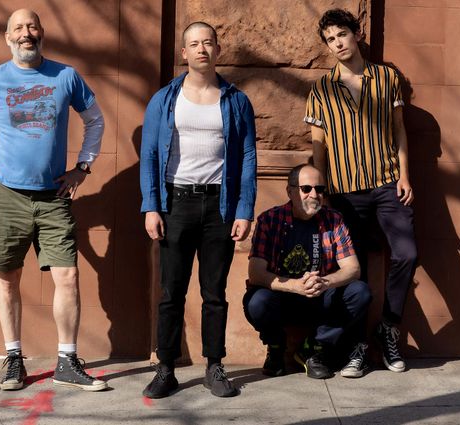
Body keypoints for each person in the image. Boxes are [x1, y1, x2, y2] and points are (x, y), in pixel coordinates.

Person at [0, 9, 107, 392]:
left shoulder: (65, 76)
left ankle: (67, 360)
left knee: (68, 276)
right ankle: (14, 359)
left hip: (54, 197)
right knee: (8, 280)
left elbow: (95, 120)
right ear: (7, 37)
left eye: (32, 27)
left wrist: (83, 167)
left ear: (42, 33)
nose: (26, 34)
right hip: (6, 196)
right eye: (18, 28)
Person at [140, 21, 257, 398]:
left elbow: (248, 157)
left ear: (218, 50)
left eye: (208, 42)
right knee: (171, 292)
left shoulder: (236, 100)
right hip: (176, 202)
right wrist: (151, 206)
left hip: (219, 205)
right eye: (194, 44)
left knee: (215, 292)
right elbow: (151, 155)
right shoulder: (164, 98)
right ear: (184, 53)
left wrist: (244, 209)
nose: (202, 49)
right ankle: (166, 369)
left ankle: (214, 366)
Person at [305, 8, 417, 373]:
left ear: (356, 35)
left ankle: (388, 328)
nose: (337, 43)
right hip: (343, 192)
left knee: (406, 253)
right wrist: (319, 192)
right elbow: (318, 147)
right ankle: (356, 347)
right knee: (355, 274)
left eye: (342, 35)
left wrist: (404, 175)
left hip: (387, 184)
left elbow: (400, 130)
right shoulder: (321, 89)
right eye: (330, 39)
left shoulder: (387, 77)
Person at [243, 164, 372, 379]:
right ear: (290, 191)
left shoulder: (334, 219)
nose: (314, 195)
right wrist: (295, 286)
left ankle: (313, 349)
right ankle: (275, 347)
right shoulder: (270, 220)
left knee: (360, 292)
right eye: (306, 189)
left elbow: (353, 269)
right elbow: (256, 273)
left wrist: (325, 282)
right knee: (257, 302)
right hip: (283, 297)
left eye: (320, 189)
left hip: (320, 297)